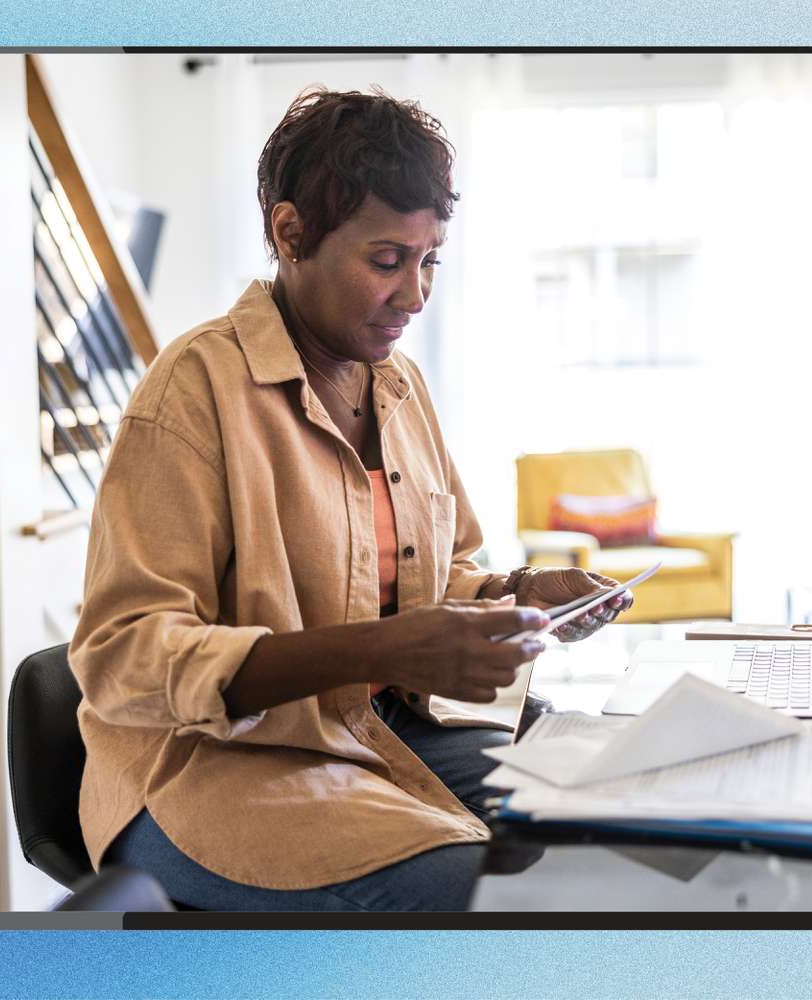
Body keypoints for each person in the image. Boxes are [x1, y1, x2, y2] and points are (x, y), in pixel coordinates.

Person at [68, 87, 632, 912]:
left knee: (620, 833)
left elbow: (432, 583)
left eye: (430, 258)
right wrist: (384, 651)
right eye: (386, 260)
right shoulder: (192, 393)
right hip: (217, 767)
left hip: (381, 729)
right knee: (466, 896)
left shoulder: (397, 383)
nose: (415, 295)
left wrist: (517, 595)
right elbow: (124, 656)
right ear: (290, 234)